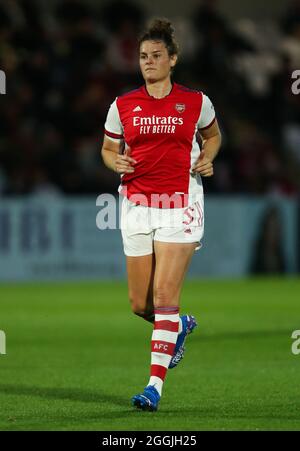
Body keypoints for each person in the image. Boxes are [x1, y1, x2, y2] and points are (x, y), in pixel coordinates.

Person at [101, 18, 222, 411]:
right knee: (140, 304)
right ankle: (180, 325)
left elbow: (214, 135)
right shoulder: (122, 105)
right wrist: (114, 161)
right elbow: (107, 149)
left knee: (165, 294)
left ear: (173, 59)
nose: (148, 62)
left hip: (181, 204)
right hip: (135, 204)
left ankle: (154, 387)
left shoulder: (196, 102)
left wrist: (208, 157)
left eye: (156, 56)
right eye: (142, 57)